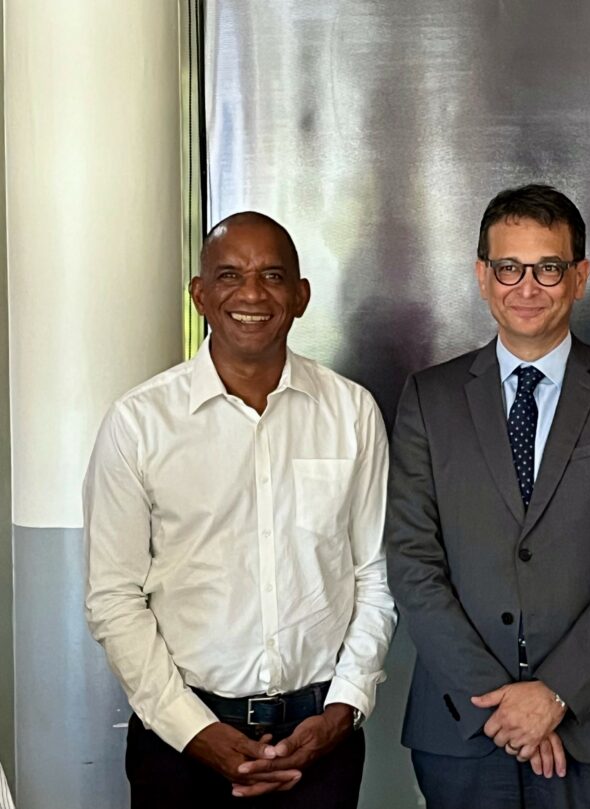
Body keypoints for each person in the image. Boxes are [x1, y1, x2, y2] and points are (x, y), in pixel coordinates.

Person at [384, 184, 590, 808]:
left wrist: (555, 694)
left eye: (548, 268)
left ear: (579, 277)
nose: (527, 287)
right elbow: (413, 564)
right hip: (464, 728)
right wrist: (502, 708)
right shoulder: (429, 399)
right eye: (508, 268)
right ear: (482, 276)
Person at [84, 212, 396, 807]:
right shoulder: (139, 424)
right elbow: (114, 598)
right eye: (229, 275)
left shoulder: (352, 413)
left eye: (272, 276)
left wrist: (345, 707)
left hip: (321, 743)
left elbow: (373, 577)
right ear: (200, 295)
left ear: (301, 296)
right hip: (179, 748)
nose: (251, 294)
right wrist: (193, 730)